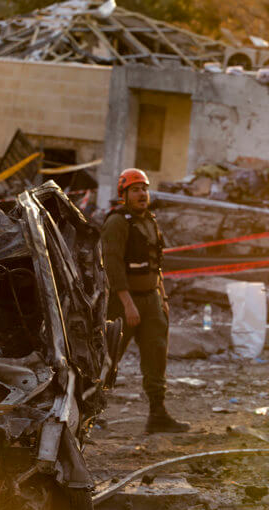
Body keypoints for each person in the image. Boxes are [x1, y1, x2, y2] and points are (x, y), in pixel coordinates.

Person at [101, 168, 190, 434]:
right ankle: (88, 412)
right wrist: (128, 304)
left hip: (151, 300)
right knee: (107, 358)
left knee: (156, 356)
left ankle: (158, 414)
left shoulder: (150, 221)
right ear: (124, 194)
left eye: (144, 189)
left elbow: (155, 263)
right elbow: (113, 266)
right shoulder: (117, 222)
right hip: (123, 302)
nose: (142, 194)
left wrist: (162, 296)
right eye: (135, 190)